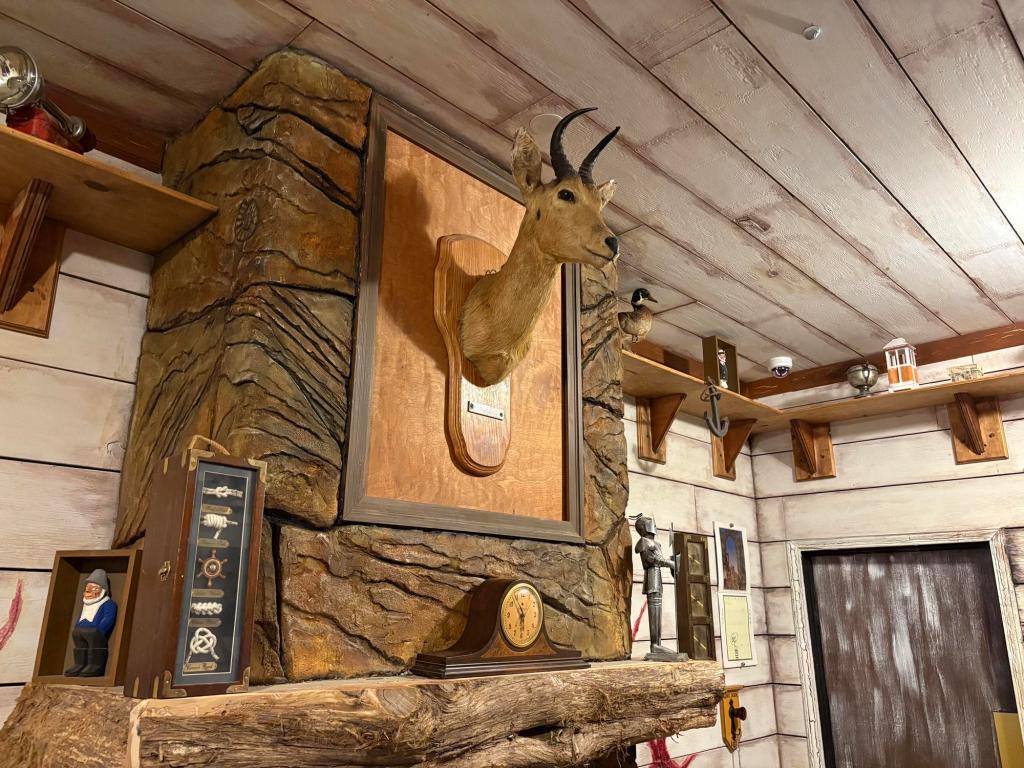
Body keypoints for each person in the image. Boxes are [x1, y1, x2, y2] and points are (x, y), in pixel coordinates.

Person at [634, 515, 686, 661]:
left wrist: (671, 562)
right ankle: (655, 645)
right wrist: (671, 564)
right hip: (651, 577)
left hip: (657, 577)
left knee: (658, 608)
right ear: (645, 527)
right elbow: (652, 560)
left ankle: (657, 644)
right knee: (655, 608)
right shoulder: (644, 542)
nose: (654, 525)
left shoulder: (654, 542)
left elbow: (658, 558)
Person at [64, 569, 117, 677]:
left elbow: (109, 618)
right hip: (80, 630)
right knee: (80, 647)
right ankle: (79, 664)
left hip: (94, 631)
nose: (88, 591)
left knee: (94, 647)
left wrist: (100, 630)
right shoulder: (87, 603)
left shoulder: (108, 603)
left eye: (94, 588)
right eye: (87, 588)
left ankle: (94, 665)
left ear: (102, 590)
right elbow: (81, 615)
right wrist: (76, 627)